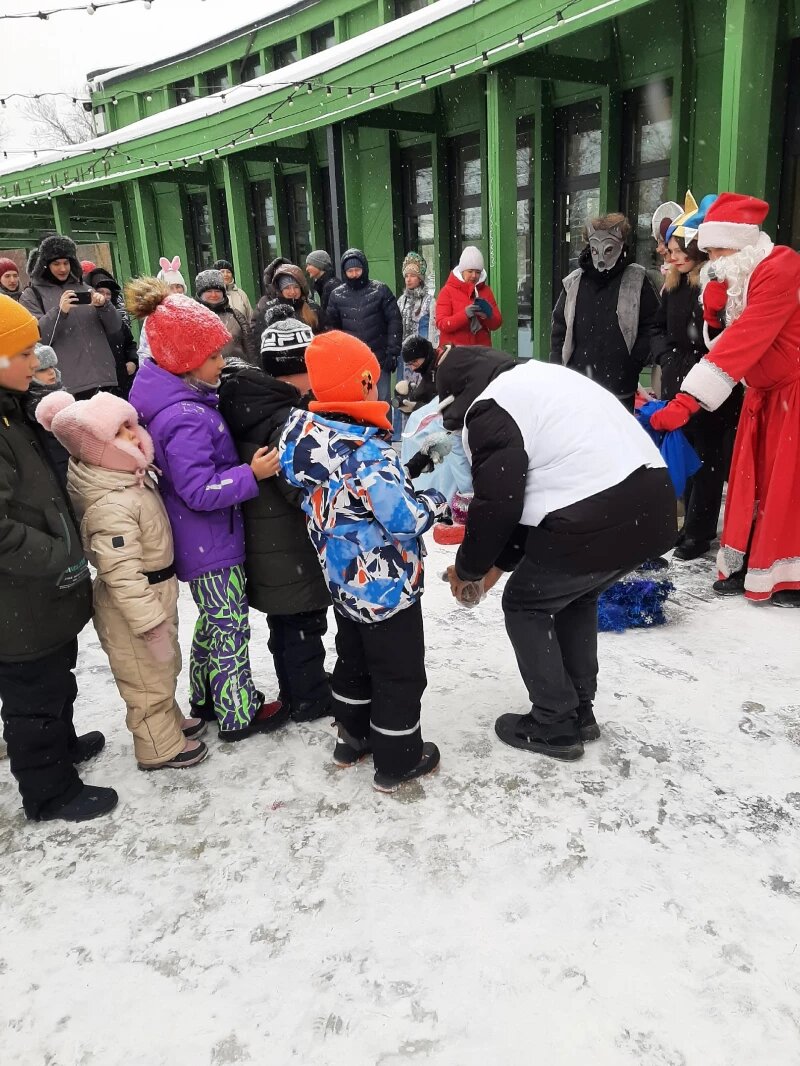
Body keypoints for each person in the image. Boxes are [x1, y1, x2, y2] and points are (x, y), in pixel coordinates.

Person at [436, 347, 675, 762]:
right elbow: (528, 506)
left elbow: (499, 504)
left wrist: (469, 568)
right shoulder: (536, 381)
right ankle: (580, 709)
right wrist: (491, 569)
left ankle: (553, 721)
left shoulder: (489, 408)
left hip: (598, 507)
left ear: (457, 397)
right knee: (573, 595)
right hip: (650, 503)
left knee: (527, 603)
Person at [280, 330, 447, 793]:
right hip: (385, 586)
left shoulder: (311, 441)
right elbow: (402, 519)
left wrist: (404, 475)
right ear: (367, 383)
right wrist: (433, 498)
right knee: (400, 672)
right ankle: (398, 759)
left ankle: (351, 738)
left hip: (343, 579)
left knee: (353, 658)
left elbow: (352, 498)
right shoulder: (367, 452)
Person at [127, 277, 288, 740]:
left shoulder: (185, 401)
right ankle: (238, 712)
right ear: (185, 362)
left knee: (214, 623)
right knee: (231, 627)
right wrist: (250, 475)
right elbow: (198, 490)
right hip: (210, 542)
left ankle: (204, 695)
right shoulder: (183, 417)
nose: (223, 362)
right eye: (214, 356)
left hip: (204, 542)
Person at [36, 390, 209, 771]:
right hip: (133, 604)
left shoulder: (127, 480)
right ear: (98, 448)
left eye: (132, 425)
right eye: (122, 431)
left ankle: (168, 722)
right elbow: (121, 573)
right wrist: (148, 622)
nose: (135, 434)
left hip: (153, 590)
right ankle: (157, 746)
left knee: (161, 670)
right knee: (144, 680)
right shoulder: (110, 504)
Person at [648, 193, 800, 607]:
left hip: (792, 395)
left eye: (715, 248)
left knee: (786, 488)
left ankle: (789, 576)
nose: (710, 257)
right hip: (761, 393)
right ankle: (750, 563)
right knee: (752, 484)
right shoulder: (738, 275)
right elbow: (728, 342)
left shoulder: (781, 267)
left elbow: (746, 340)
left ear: (740, 244)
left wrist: (687, 401)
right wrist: (716, 319)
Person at [0, 295, 117, 822]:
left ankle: (62, 747)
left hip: (39, 595)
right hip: (17, 601)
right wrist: (57, 554)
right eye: (23, 353)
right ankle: (49, 792)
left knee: (56, 678)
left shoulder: (12, 409)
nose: (36, 360)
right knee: (34, 698)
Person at [218, 310, 333, 723]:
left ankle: (298, 686)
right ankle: (309, 697)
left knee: (287, 625)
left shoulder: (247, 399)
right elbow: (299, 484)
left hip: (265, 538)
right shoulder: (283, 416)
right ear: (297, 370)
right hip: (288, 540)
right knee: (303, 623)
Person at [651, 192, 743, 561]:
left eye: (676, 250)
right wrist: (667, 356)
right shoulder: (672, 287)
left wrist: (697, 359)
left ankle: (699, 532)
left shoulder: (713, 288)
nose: (670, 256)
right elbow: (656, 329)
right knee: (687, 458)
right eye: (669, 250)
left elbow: (723, 338)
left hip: (714, 391)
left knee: (708, 462)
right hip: (679, 385)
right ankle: (688, 524)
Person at [550, 213, 661, 411]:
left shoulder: (636, 280)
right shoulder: (574, 282)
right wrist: (558, 370)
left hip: (620, 387)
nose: (601, 257)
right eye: (595, 249)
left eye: (609, 248)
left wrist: (633, 360)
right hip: (578, 386)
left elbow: (653, 324)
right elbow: (560, 329)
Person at [20, 235, 122, 399]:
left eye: (66, 263)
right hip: (68, 386)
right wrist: (60, 313)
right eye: (56, 264)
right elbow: (37, 338)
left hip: (104, 380)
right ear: (45, 265)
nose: (63, 269)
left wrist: (104, 306)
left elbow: (115, 327)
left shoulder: (86, 288)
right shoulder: (32, 295)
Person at [325, 249, 402, 404]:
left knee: (381, 401)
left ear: (364, 269)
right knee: (360, 402)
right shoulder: (337, 296)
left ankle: (385, 429)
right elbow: (332, 330)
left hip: (380, 359)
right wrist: (337, 356)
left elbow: (394, 321)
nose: (354, 274)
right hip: (352, 363)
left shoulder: (380, 291)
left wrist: (392, 352)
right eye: (350, 271)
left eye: (357, 270)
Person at [85, 265, 139, 398]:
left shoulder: (117, 319)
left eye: (108, 293)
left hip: (122, 383)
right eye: (101, 292)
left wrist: (132, 361)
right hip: (97, 387)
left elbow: (129, 343)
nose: (105, 297)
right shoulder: (84, 321)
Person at [435, 246, 502, 349]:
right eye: (470, 271)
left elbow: (496, 324)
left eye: (478, 272)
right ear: (462, 271)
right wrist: (465, 315)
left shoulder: (486, 291)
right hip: (455, 353)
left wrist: (486, 315)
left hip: (481, 352)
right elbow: (442, 324)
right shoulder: (447, 291)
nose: (474, 276)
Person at [195, 268, 255, 363]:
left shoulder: (236, 315)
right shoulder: (194, 318)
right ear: (200, 294)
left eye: (218, 291)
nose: (214, 295)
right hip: (207, 374)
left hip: (238, 371)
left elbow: (250, 347)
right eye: (209, 291)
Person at [252, 260, 321, 340]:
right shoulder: (270, 310)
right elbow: (259, 339)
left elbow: (325, 335)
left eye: (296, 287)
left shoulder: (313, 308)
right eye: (287, 288)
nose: (292, 292)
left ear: (301, 288)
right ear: (280, 290)